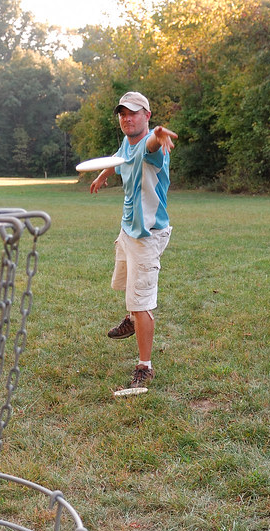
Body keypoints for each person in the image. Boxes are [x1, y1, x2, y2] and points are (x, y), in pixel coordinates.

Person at [89, 91, 178, 393]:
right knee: (124, 284)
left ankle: (145, 366)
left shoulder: (152, 146)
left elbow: (151, 144)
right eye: (123, 113)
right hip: (128, 230)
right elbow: (118, 159)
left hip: (147, 235)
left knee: (141, 302)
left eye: (134, 112)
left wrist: (158, 135)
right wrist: (103, 176)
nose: (127, 118)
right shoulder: (127, 141)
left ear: (147, 115)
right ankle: (131, 317)